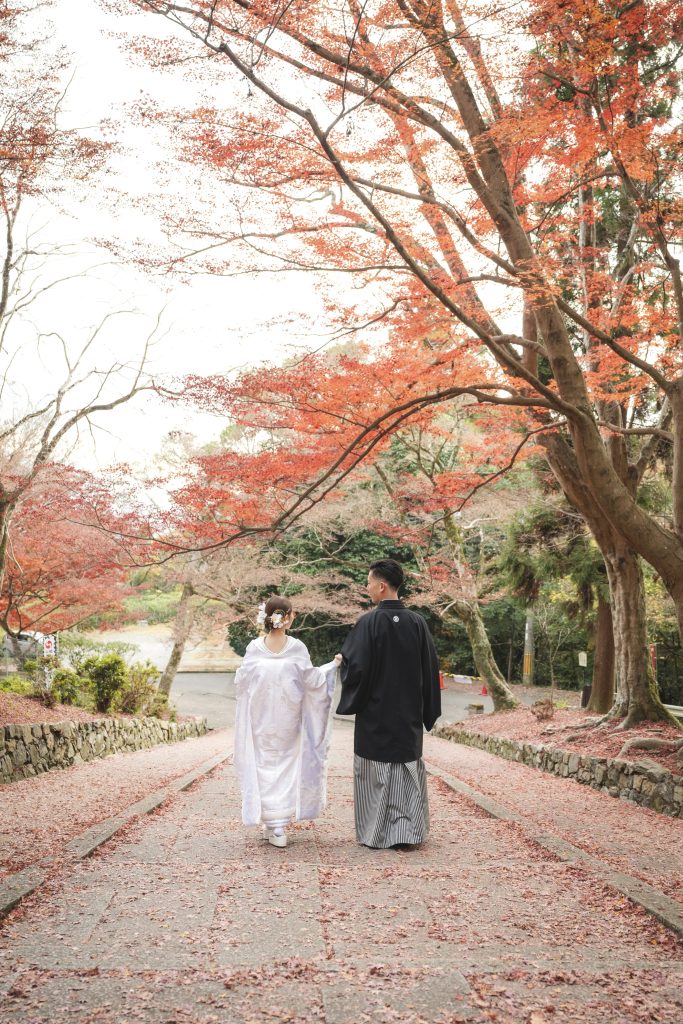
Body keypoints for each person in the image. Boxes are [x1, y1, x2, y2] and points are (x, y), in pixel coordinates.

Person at [337, 559, 441, 850]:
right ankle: (408, 833)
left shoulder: (368, 622)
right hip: (408, 715)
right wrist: (428, 710)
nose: (367, 588)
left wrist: (342, 666)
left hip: (375, 715)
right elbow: (430, 670)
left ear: (381, 586)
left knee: (375, 775)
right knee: (405, 773)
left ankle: (375, 834)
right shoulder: (418, 623)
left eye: (369, 583)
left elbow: (355, 669)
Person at [234, 595, 342, 849]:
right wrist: (331, 667)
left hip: (262, 718)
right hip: (286, 718)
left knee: (264, 764)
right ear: (289, 617)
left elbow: (242, 682)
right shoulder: (296, 647)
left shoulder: (254, 648)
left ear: (267, 618)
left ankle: (273, 821)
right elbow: (314, 681)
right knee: (283, 765)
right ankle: (277, 824)